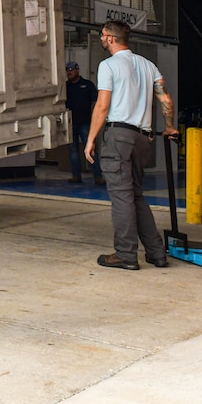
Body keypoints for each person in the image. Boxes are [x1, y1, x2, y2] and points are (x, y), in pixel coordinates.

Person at [84, 20, 177, 270]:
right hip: (142, 138)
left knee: (122, 196)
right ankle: (156, 253)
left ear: (110, 37)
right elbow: (165, 99)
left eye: (102, 35)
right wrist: (169, 126)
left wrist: (91, 139)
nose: (101, 39)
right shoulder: (148, 65)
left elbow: (102, 105)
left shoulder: (108, 65)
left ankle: (126, 254)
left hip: (119, 137)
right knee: (135, 195)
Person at [65, 61, 100, 184]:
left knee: (91, 149)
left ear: (77, 70)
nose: (69, 72)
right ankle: (76, 176)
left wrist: (95, 118)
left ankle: (98, 176)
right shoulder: (66, 87)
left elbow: (96, 102)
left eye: (71, 70)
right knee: (73, 151)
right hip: (70, 123)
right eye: (67, 70)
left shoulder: (87, 85)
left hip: (85, 122)